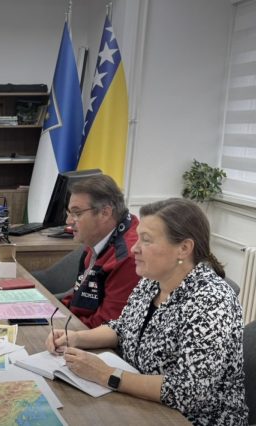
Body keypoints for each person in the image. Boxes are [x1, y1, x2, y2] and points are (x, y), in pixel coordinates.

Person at [46, 198, 248, 425]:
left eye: (147, 240)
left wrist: (105, 374)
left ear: (183, 248)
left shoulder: (211, 300)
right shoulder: (152, 281)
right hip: (142, 405)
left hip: (191, 420)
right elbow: (123, 328)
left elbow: (188, 392)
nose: (134, 248)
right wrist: (76, 338)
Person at [36, 174, 140, 328]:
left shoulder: (129, 257)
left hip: (94, 337)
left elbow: (108, 325)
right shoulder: (99, 237)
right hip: (77, 327)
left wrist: (58, 327)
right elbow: (79, 297)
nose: (68, 221)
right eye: (69, 213)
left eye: (77, 213)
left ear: (105, 213)